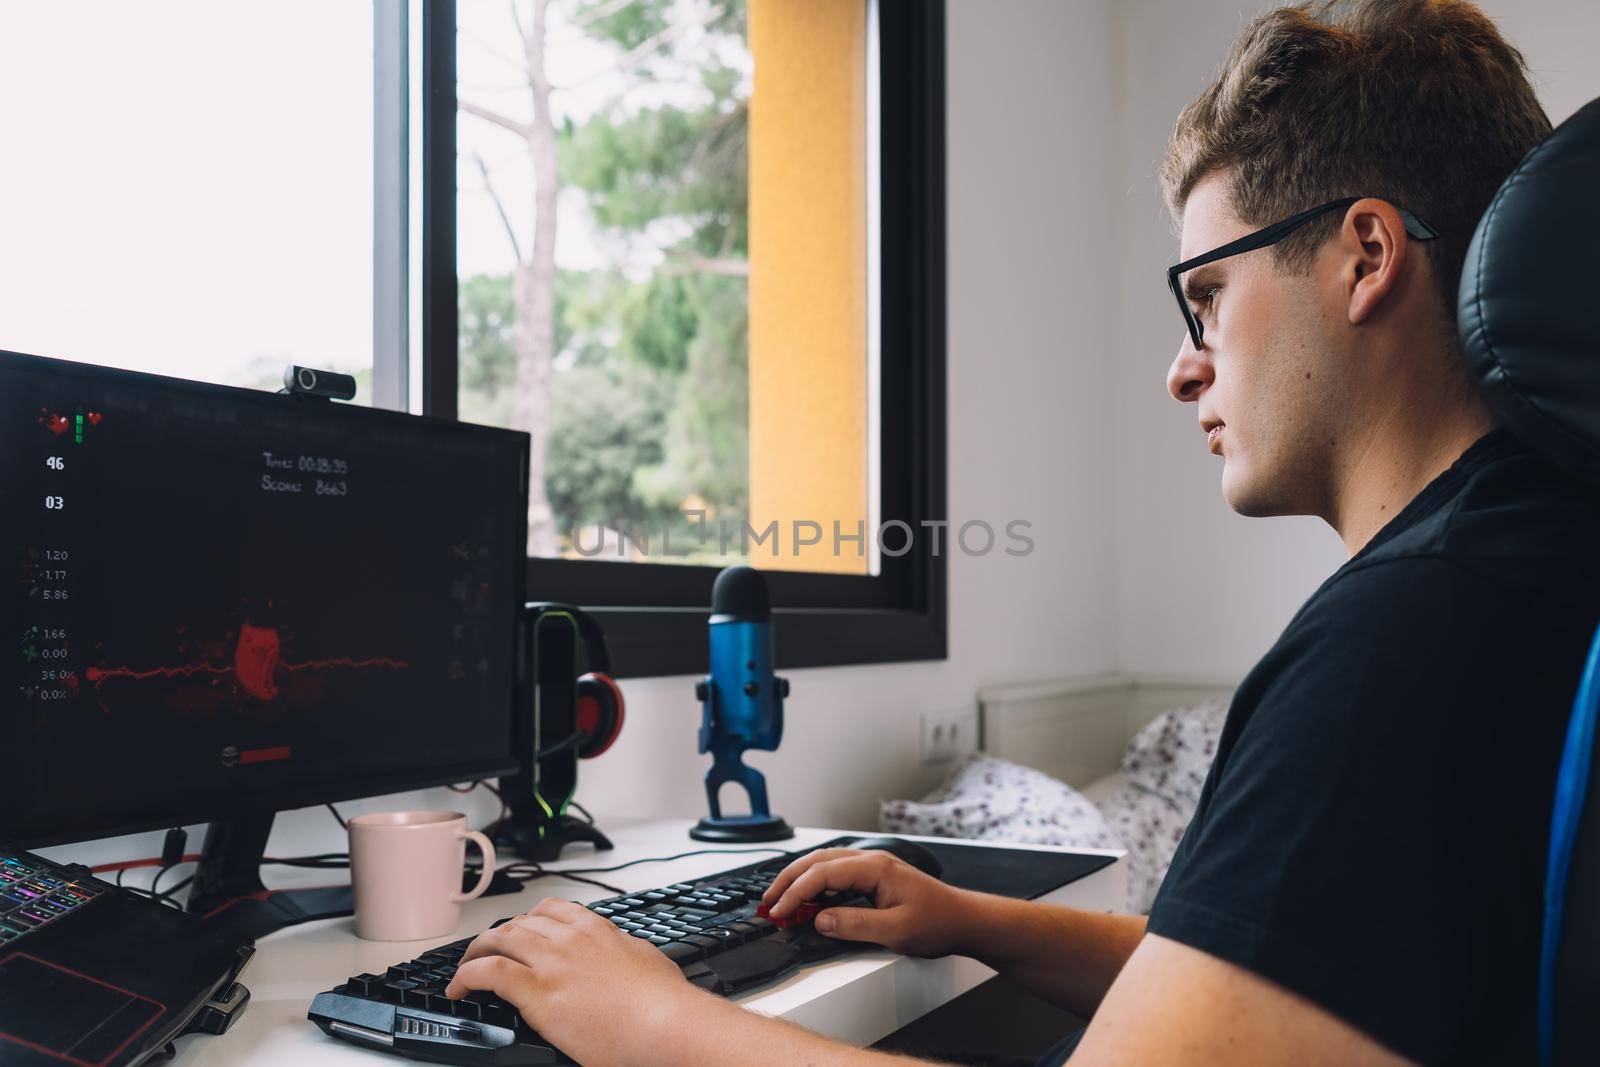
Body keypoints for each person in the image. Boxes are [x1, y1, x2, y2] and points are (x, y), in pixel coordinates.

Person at [441, 2, 1599, 1063]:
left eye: (1205, 297)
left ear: (1364, 254)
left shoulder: (1403, 632)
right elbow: (1274, 982)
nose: (1181, 368)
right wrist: (973, 918)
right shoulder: (1531, 552)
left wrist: (645, 1015)